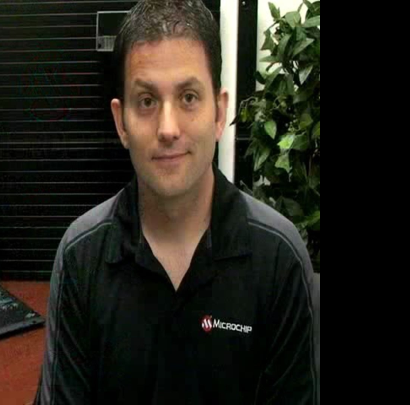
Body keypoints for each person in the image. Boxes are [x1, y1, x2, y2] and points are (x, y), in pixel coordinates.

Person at [34, 0, 318, 403]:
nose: (167, 129)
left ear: (219, 113)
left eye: (188, 97)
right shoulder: (81, 256)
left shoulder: (279, 257)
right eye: (147, 101)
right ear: (121, 122)